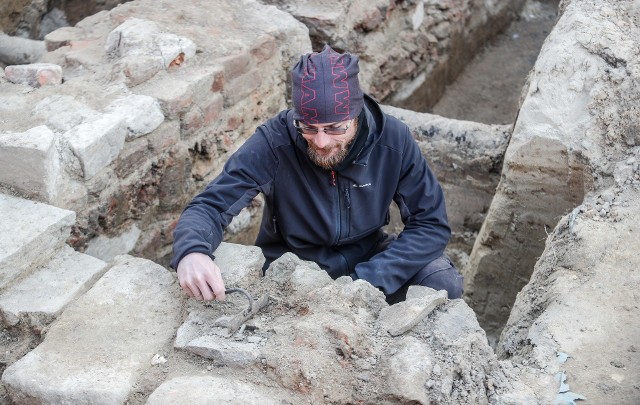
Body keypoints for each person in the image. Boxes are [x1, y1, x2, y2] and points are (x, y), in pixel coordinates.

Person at [171, 45, 463, 304]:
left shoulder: (393, 139)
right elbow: (210, 205)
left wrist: (367, 281)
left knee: (441, 281)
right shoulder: (274, 142)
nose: (321, 142)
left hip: (370, 258)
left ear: (356, 115)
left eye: (335, 128)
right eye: (308, 128)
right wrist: (191, 251)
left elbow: (430, 224)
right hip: (294, 268)